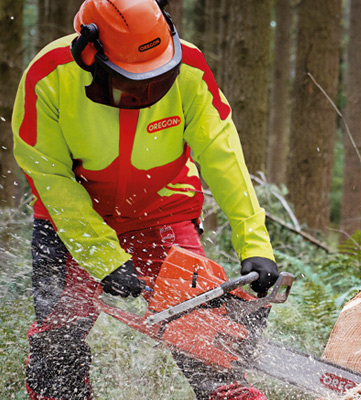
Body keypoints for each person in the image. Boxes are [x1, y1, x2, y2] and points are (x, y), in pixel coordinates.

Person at [11, 0, 279, 399]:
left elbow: (223, 154)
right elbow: (49, 175)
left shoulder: (189, 68)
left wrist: (254, 242)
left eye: (158, 78)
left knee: (203, 325)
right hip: (72, 218)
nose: (148, 91)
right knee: (59, 332)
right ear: (89, 53)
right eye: (133, 81)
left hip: (162, 208)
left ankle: (226, 391)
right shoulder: (49, 77)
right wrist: (102, 256)